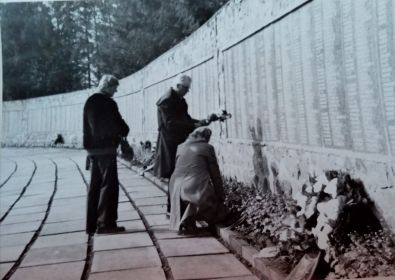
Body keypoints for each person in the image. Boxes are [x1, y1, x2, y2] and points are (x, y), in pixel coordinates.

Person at [153, 74, 212, 214]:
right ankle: (173, 209)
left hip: (178, 142)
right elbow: (171, 124)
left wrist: (200, 122)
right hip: (170, 144)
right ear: (178, 86)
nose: (187, 91)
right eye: (185, 88)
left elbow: (185, 119)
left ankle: (175, 209)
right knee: (175, 176)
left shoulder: (178, 99)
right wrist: (193, 125)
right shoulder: (167, 101)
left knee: (179, 176)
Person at [83, 74, 129, 234]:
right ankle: (106, 223)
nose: (115, 91)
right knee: (109, 186)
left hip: (93, 151)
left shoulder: (90, 101)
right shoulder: (108, 103)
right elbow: (121, 126)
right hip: (106, 149)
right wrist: (122, 131)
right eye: (114, 88)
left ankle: (91, 224)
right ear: (107, 87)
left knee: (95, 186)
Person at [169, 127, 231, 234]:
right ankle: (206, 222)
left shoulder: (180, 146)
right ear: (206, 137)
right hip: (192, 186)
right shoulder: (207, 148)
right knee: (211, 202)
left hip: (174, 185)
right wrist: (221, 195)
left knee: (191, 192)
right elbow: (215, 175)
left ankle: (188, 223)